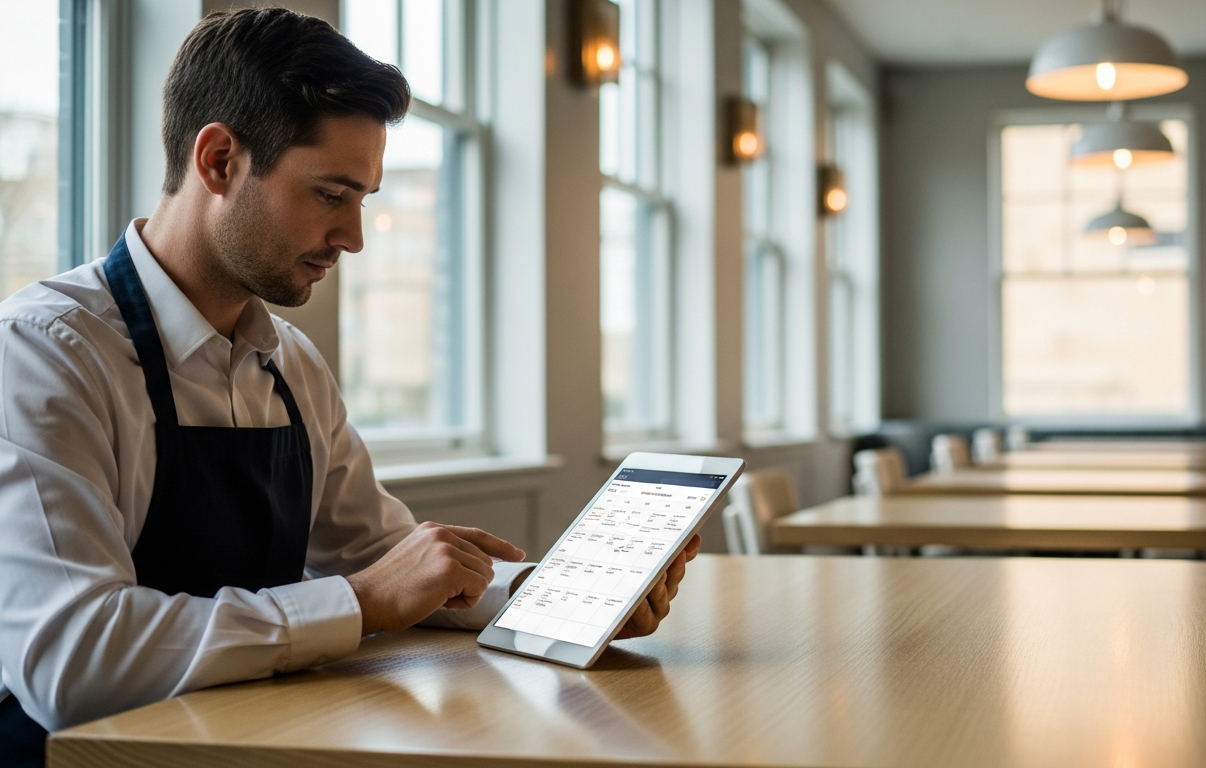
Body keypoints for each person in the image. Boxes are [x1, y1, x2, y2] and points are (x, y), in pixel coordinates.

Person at [0, 9, 700, 766]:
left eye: (362, 199)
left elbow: (380, 550)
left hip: (254, 745)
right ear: (219, 161)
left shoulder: (290, 362)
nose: (355, 237)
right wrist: (361, 602)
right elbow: (73, 661)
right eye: (332, 195)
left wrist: (561, 597)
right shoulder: (45, 352)